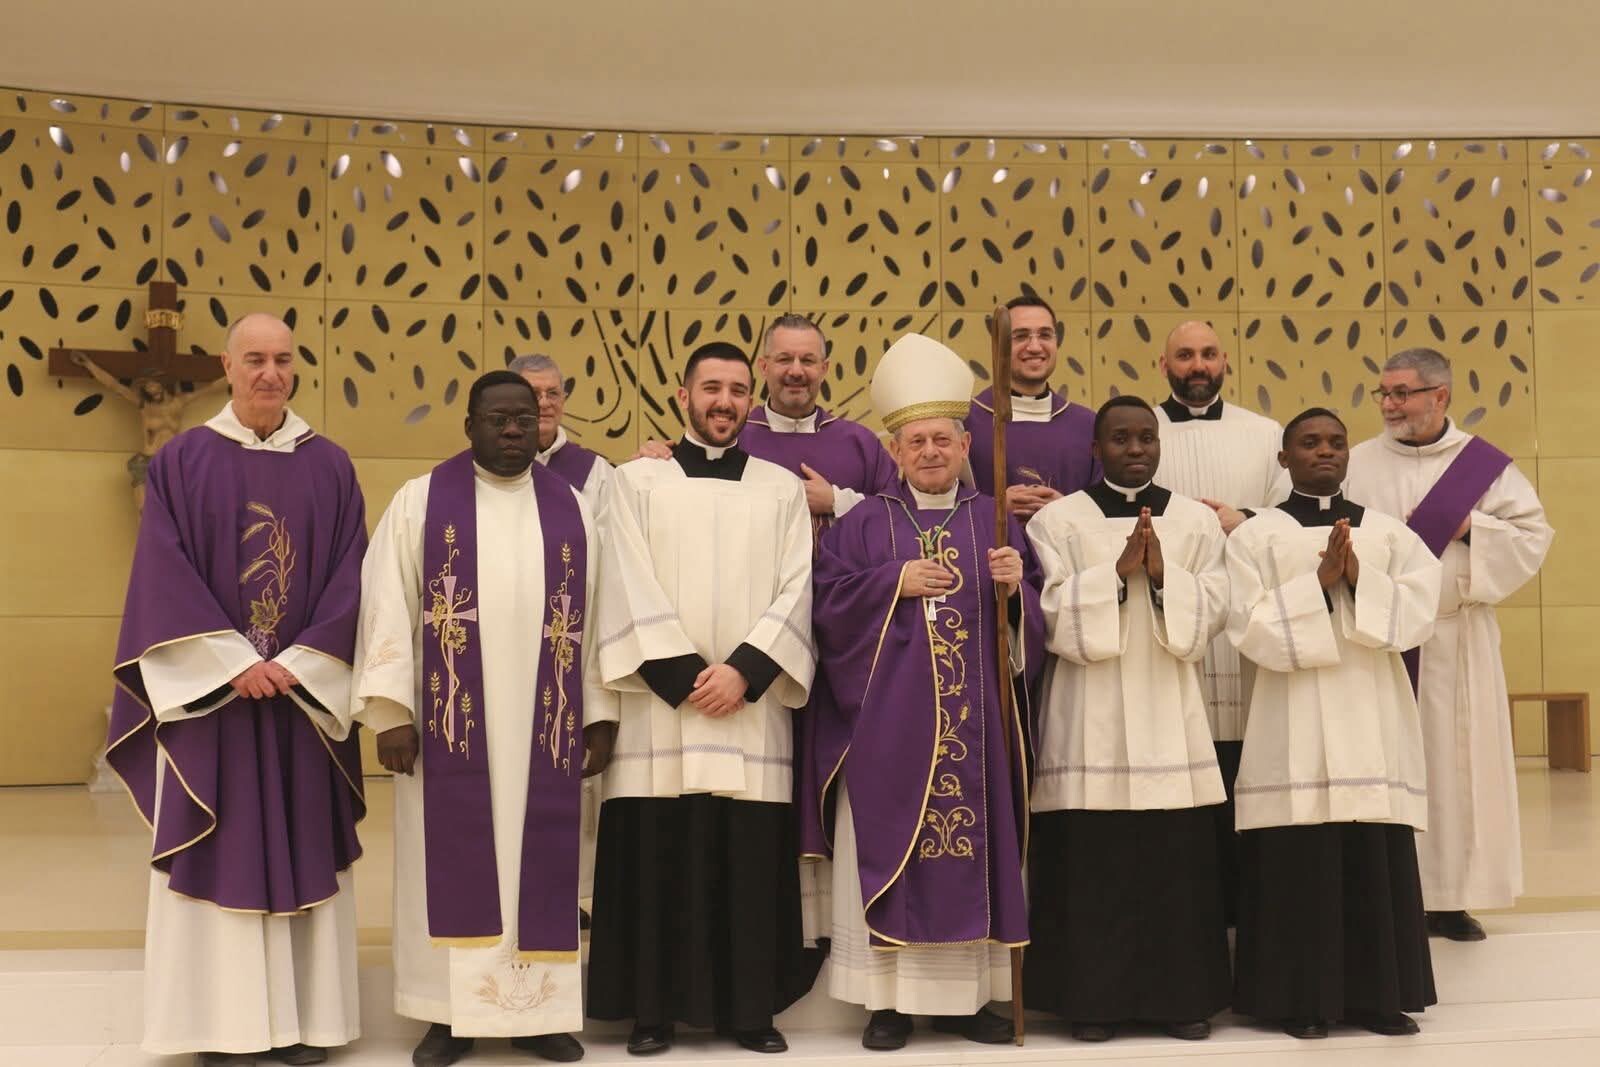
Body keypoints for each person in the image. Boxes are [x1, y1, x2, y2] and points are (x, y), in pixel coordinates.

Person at [104, 313, 367, 1066]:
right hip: (215, 706)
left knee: (301, 836)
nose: (270, 374)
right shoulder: (181, 461)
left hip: (298, 702)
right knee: (221, 844)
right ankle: (223, 1027)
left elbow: (355, 576)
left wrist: (302, 660)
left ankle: (305, 1024)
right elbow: (162, 575)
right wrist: (230, 663)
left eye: (283, 360)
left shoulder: (331, 465)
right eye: (254, 359)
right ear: (226, 365)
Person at [353, 370, 609, 1066]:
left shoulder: (574, 510)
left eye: (523, 417)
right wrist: (391, 711)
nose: (512, 430)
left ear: (542, 422)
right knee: (448, 864)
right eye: (496, 418)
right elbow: (387, 604)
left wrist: (599, 713)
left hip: (544, 731)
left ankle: (540, 1013)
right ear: (468, 425)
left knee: (543, 862)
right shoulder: (421, 503)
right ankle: (447, 1016)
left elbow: (599, 615)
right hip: (447, 734)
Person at [802, 333, 1041, 1051]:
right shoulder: (863, 523)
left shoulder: (995, 520)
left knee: (978, 848)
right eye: (916, 441)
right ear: (895, 449)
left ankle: (973, 1000)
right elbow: (825, 609)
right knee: (891, 849)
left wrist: (1012, 592)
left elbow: (1032, 625)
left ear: (966, 445)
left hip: (977, 737)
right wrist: (891, 583)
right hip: (888, 733)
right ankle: (888, 1002)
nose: (931, 451)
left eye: (943, 438)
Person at [585, 342, 818, 1056]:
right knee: (656, 855)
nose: (724, 401)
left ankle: (748, 1011)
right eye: (710, 387)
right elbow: (618, 576)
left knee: (745, 860)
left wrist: (746, 669)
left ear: (751, 400)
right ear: (682, 394)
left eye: (737, 389)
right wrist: (686, 674)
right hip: (663, 709)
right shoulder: (633, 482)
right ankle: (649, 1012)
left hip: (748, 710)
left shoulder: (781, 488)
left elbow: (799, 584)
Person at [1023, 395, 1231, 1043]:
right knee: (1096, 865)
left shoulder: (1196, 521)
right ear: (1096, 448)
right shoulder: (1058, 521)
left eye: (1146, 437)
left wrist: (1167, 576)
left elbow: (1217, 607)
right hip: (1090, 713)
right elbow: (1048, 610)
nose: (1135, 448)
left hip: (1170, 706)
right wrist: (1114, 575)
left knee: (1174, 862)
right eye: (1121, 438)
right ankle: (1093, 1002)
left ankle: (1181, 999)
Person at [1227, 407, 1440, 1039]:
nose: (1326, 452)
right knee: (1301, 858)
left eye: (1337, 443)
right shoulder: (1255, 536)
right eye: (1310, 443)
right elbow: (1246, 627)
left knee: (1372, 853)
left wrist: (1359, 578)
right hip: (1291, 718)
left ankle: (1379, 997)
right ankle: (1299, 1001)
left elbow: (1419, 612)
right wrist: (1318, 588)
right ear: (1284, 458)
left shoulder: (1390, 534)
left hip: (1371, 714)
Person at [1345, 348, 1554, 941]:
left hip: (1455, 642)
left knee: (1456, 769)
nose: (1389, 404)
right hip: (1379, 642)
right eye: (1383, 393)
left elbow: (1532, 538)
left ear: (1440, 396)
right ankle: (1392, 893)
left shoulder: (1482, 468)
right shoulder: (1357, 464)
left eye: (1402, 393)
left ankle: (1450, 899)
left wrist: (1470, 526)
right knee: (1387, 767)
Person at [1150, 319, 1290, 922]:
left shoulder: (1264, 434)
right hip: (1166, 627)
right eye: (1185, 355)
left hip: (1246, 626)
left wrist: (1247, 518)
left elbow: (1291, 514)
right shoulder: (1138, 430)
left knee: (1245, 766)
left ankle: (1248, 907)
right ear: (1164, 365)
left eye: (1208, 354)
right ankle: (1190, 911)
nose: (1197, 365)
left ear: (1226, 361)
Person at [510, 352, 613, 928]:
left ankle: (572, 897)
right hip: (501, 649)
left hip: (569, 647)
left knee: (571, 782)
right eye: (530, 394)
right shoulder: (475, 471)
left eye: (552, 393)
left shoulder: (597, 473)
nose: (542, 405)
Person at [965, 295, 1098, 522]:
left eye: (1045, 335)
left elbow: (1105, 509)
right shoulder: (966, 423)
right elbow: (945, 504)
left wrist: (1068, 510)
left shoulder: (1088, 425)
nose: (1035, 347)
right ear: (998, 344)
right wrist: (995, 509)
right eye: (1020, 336)